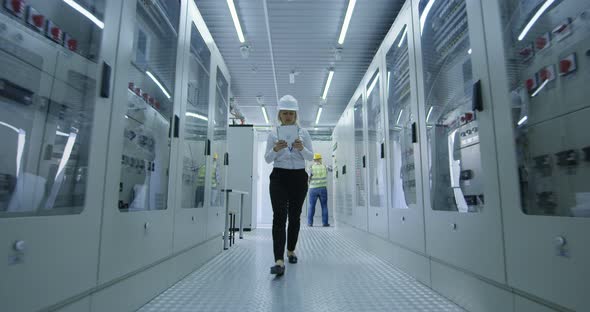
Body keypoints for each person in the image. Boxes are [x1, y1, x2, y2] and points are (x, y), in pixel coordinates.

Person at [265, 95, 313, 276]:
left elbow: (310, 157)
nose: (287, 116)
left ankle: (291, 250)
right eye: (284, 113)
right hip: (279, 177)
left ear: (295, 115)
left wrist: (302, 148)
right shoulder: (272, 134)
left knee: (295, 216)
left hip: (299, 177)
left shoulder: (304, 133)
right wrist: (276, 149)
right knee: (279, 216)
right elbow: (267, 158)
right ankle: (278, 261)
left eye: (291, 113)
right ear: (279, 114)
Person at [307, 153, 331, 227]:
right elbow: (332, 169)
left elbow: (308, 177)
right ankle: (325, 223)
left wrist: (309, 182)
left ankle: (310, 223)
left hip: (313, 188)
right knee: (324, 206)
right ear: (320, 159)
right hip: (323, 188)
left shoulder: (311, 167)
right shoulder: (324, 166)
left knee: (311, 206)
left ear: (314, 160)